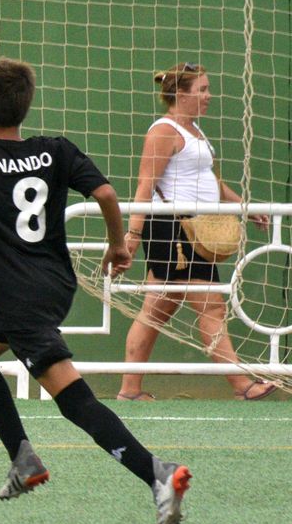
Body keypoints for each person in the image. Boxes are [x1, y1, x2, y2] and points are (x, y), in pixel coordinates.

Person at [0, 56, 192, 524]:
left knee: (74, 401)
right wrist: (118, 246)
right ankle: (23, 458)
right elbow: (108, 195)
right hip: (54, 286)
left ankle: (157, 473)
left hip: (19, 299)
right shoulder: (55, 150)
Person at [117, 62, 275, 401]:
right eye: (201, 89)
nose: (208, 96)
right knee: (211, 307)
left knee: (155, 310)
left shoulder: (194, 131)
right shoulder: (164, 130)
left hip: (193, 229)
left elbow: (210, 182)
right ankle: (241, 385)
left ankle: (129, 390)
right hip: (173, 229)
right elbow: (146, 184)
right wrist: (133, 234)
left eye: (207, 89)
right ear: (180, 93)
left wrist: (245, 207)